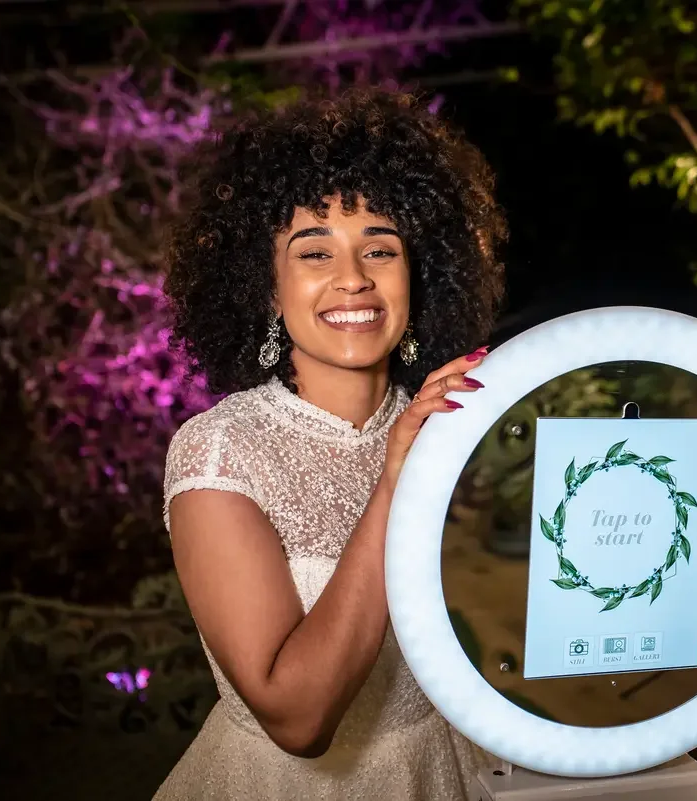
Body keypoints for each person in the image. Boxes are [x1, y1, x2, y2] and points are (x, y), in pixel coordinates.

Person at [156, 87, 507, 800]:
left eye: (381, 247)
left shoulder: (461, 426)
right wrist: (397, 483)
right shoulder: (220, 454)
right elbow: (298, 715)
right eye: (314, 252)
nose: (354, 277)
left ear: (419, 275)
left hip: (442, 778)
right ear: (266, 288)